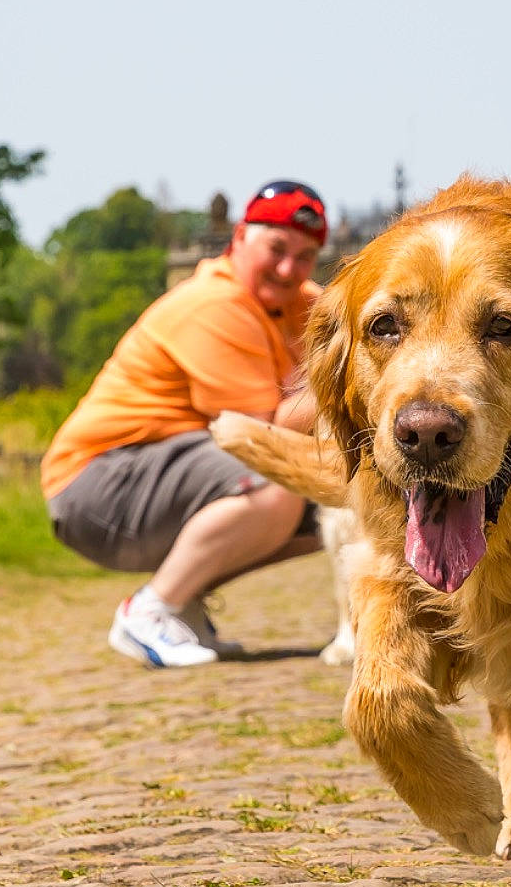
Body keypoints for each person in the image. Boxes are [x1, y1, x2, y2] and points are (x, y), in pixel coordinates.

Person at [40, 179, 329, 669]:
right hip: (93, 485)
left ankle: (185, 603)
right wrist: (359, 379)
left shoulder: (297, 302)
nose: (288, 269)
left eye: (304, 257)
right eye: (276, 248)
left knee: (335, 499)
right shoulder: (215, 304)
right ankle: (150, 611)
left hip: (153, 476)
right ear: (239, 239)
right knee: (274, 481)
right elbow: (265, 433)